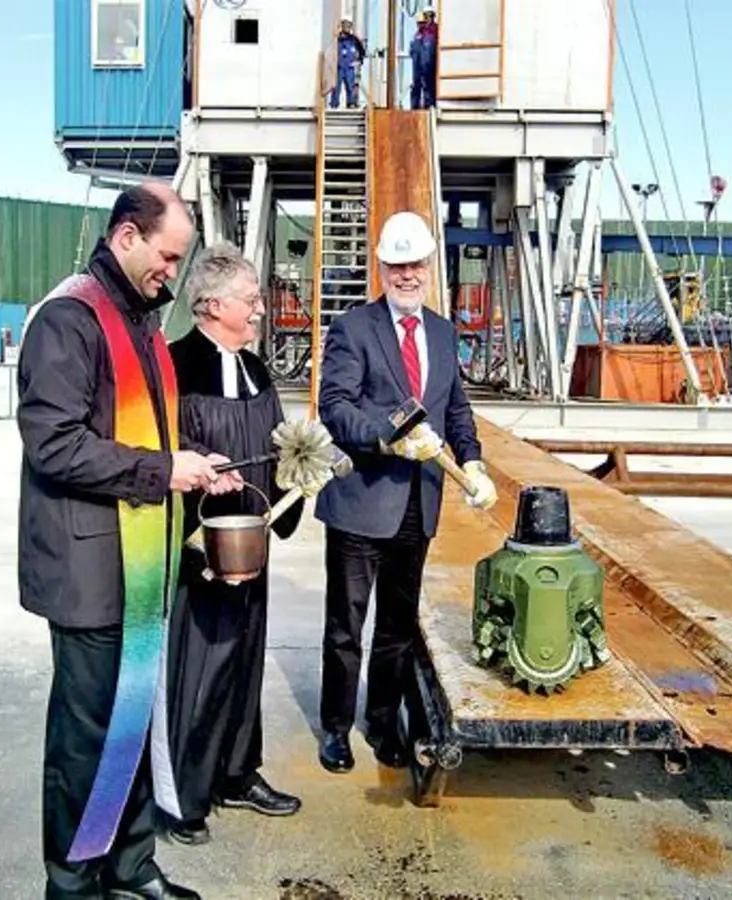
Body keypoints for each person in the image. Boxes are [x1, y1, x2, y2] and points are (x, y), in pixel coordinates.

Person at [17, 181, 242, 900]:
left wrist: (194, 467)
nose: (173, 273)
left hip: (140, 561)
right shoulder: (70, 319)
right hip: (89, 571)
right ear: (126, 237)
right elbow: (54, 444)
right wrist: (163, 470)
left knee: (134, 724)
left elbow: (150, 435)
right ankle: (72, 883)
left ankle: (129, 865)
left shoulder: (138, 320)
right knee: (86, 739)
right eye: (168, 257)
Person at [311, 211, 497, 774]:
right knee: (346, 626)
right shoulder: (353, 329)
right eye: (397, 265)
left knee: (397, 623)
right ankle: (336, 728)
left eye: (415, 264)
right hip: (360, 501)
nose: (407, 275)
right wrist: (390, 439)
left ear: (429, 267)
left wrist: (473, 461)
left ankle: (382, 720)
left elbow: (455, 408)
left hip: (419, 503)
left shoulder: (441, 332)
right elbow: (335, 407)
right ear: (382, 269)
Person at [154, 243, 327, 845]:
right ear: (211, 305)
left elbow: (275, 445)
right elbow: (159, 450)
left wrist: (302, 471)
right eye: (250, 300)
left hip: (252, 544)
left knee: (246, 658)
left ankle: (235, 772)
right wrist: (198, 466)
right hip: (200, 549)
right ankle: (185, 795)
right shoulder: (174, 366)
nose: (259, 310)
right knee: (200, 665)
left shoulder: (255, 370)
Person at [328, 17, 366, 109]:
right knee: (336, 86)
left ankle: (351, 103)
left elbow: (362, 51)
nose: (347, 28)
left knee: (350, 85)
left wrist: (359, 61)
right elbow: (330, 50)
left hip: (350, 67)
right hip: (339, 66)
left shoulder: (354, 39)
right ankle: (334, 103)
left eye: (348, 26)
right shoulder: (337, 39)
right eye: (345, 26)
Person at [409, 7, 438, 110]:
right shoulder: (419, 33)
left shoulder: (434, 31)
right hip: (418, 63)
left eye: (429, 15)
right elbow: (413, 50)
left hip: (429, 63)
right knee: (416, 83)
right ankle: (415, 106)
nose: (428, 18)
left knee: (428, 84)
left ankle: (429, 104)